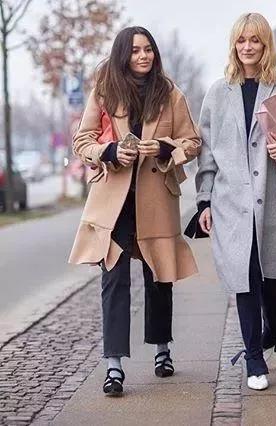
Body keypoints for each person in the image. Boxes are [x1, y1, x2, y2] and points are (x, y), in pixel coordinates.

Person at [68, 26, 201, 396]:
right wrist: (110, 151)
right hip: (114, 203)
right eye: (136, 50)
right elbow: (83, 141)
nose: (143, 56)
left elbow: (192, 142)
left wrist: (164, 147)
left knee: (159, 275)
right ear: (122, 54)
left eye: (148, 49)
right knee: (114, 281)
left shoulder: (170, 92)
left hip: (156, 197)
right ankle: (114, 366)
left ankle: (162, 350)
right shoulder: (105, 90)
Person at [195, 12, 276, 391]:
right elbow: (207, 153)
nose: (247, 47)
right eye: (241, 40)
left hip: (273, 199)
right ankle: (254, 359)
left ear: (265, 45)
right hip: (230, 202)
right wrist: (204, 201)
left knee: (270, 280)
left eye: (255, 40)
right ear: (234, 44)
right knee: (245, 278)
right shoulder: (217, 93)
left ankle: (273, 328)